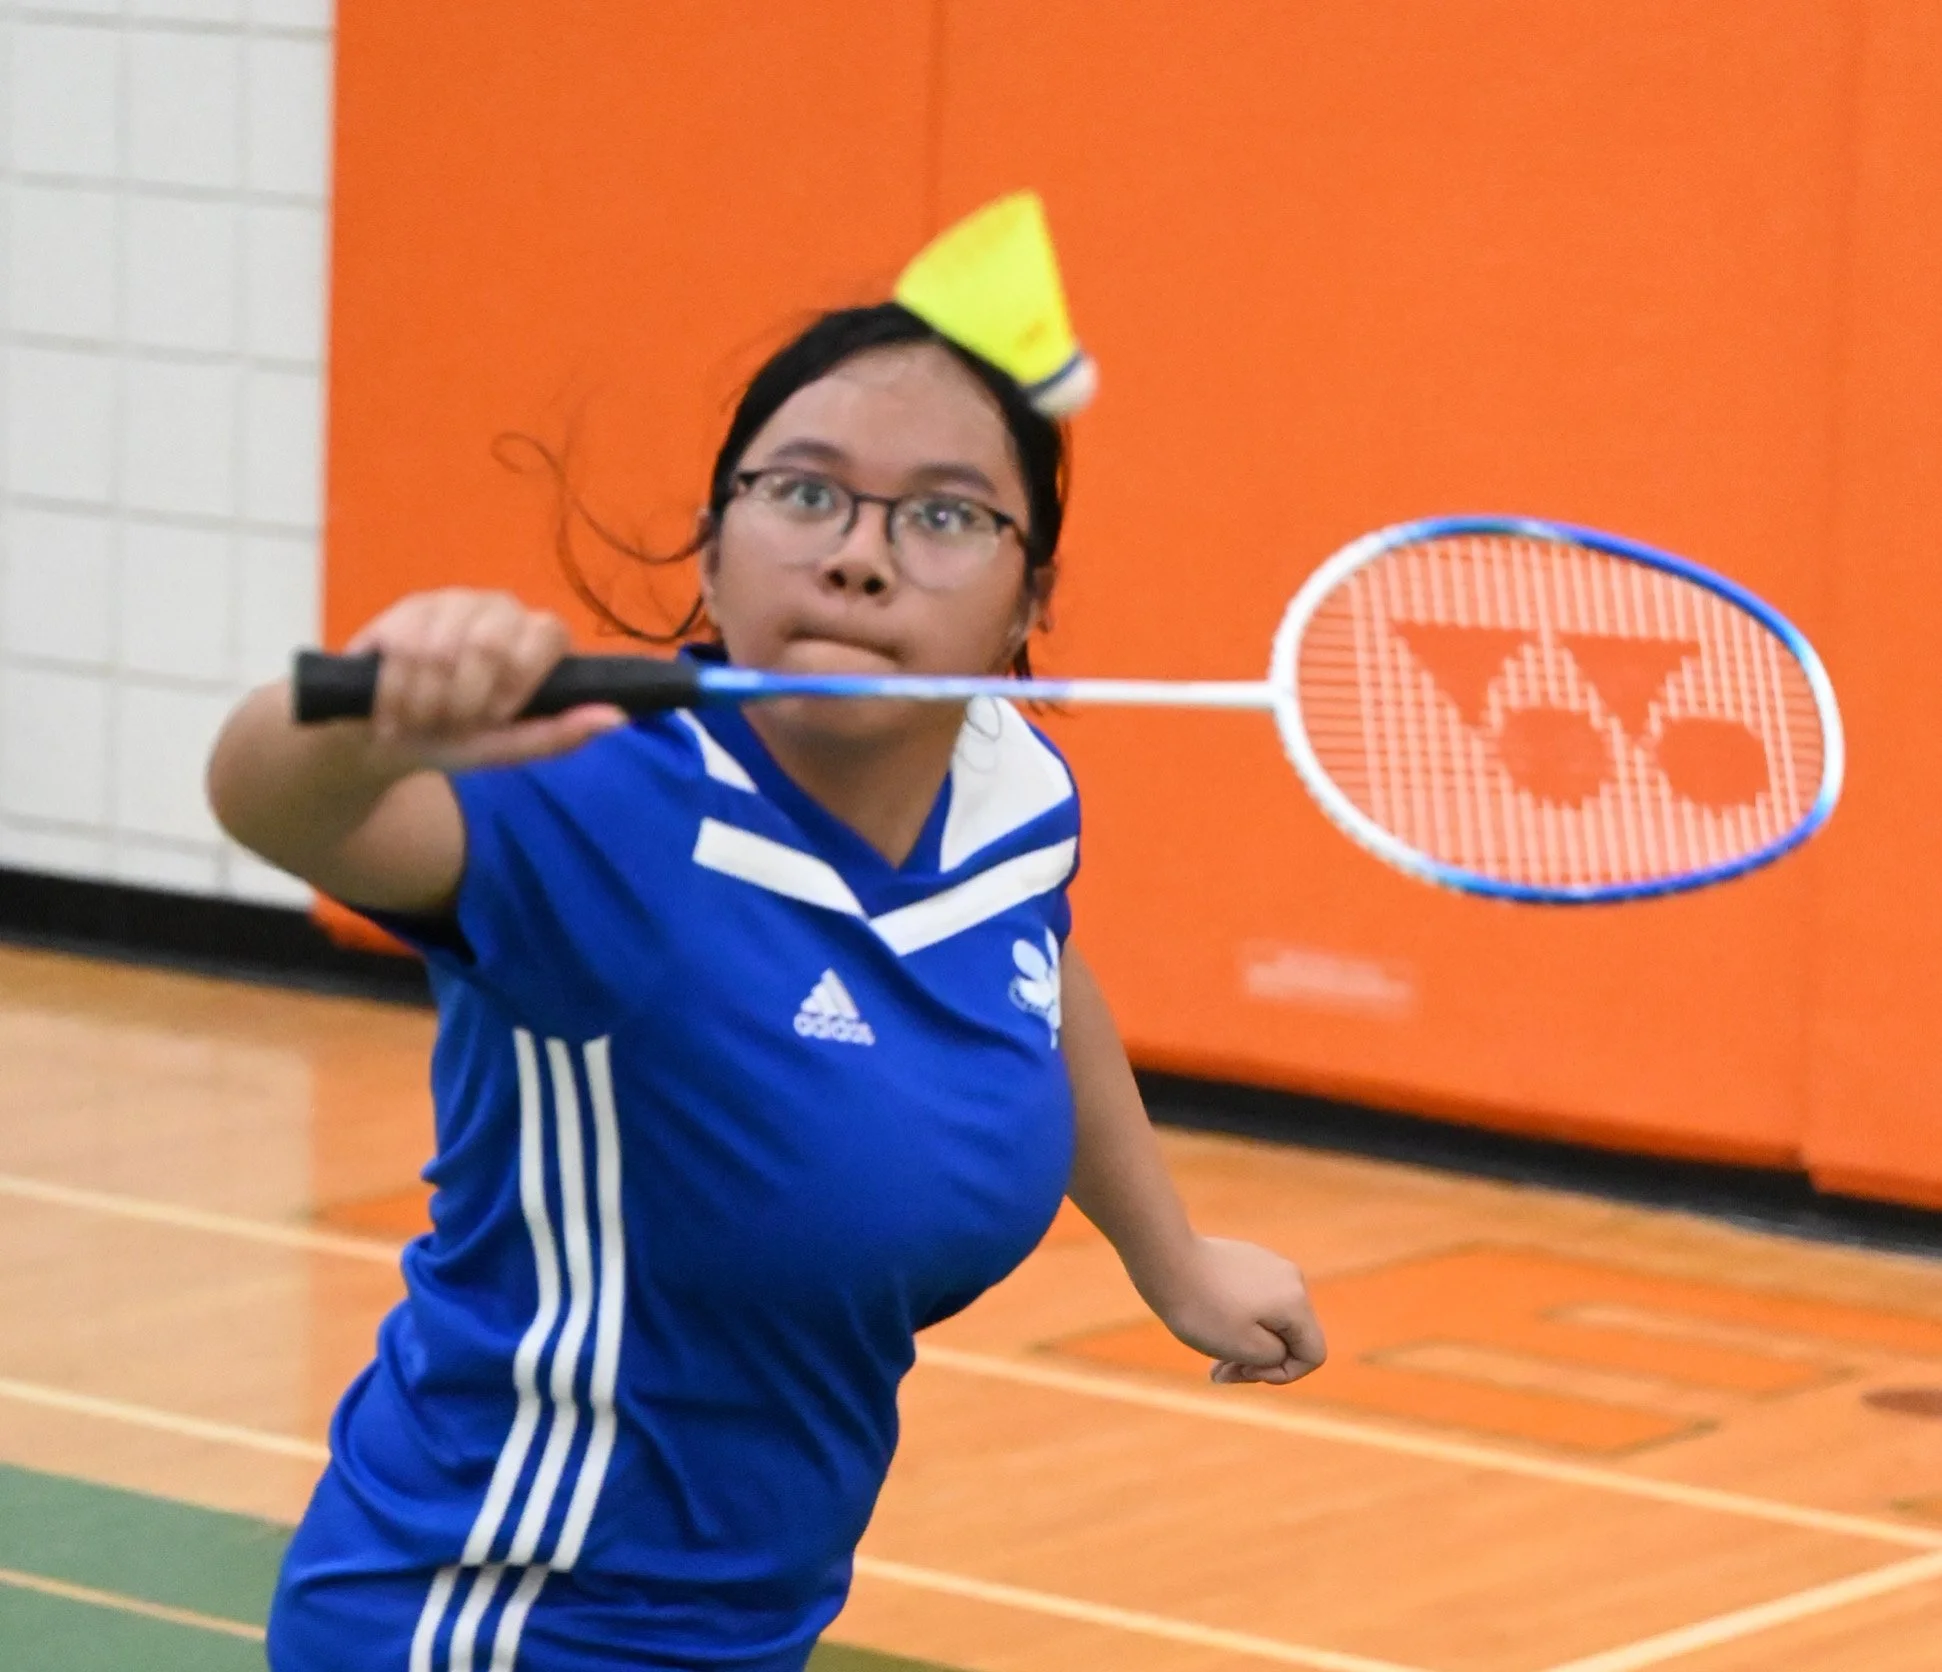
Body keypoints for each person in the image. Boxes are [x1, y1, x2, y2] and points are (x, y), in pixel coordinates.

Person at [209, 201, 1325, 1672]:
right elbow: (277, 803)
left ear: (1028, 602)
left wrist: (1169, 1257)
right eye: (805, 494)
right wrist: (365, 710)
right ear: (714, 549)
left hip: (746, 1627)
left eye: (943, 516)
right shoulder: (599, 803)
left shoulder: (1010, 789)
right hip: (496, 1618)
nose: (861, 557)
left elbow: (1033, 968)